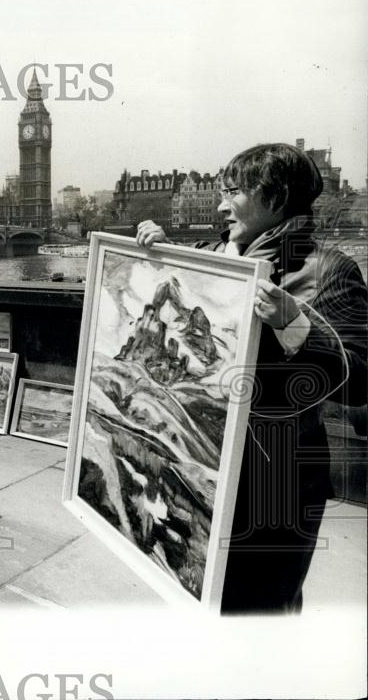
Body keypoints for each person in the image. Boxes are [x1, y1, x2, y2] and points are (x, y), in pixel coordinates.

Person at [136, 142, 367, 614]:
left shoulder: (328, 270)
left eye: (233, 192)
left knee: (260, 611)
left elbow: (361, 379)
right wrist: (159, 250)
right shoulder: (213, 256)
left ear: (277, 197)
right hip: (201, 467)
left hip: (276, 486)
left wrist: (293, 325)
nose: (221, 204)